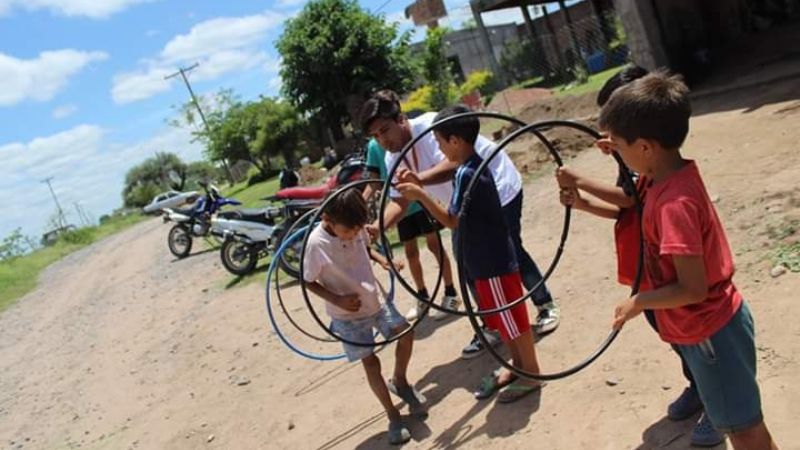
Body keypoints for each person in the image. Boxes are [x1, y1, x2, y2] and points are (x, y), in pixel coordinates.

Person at [603, 71, 778, 450]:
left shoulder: (673, 204)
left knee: (746, 433)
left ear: (645, 147)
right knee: (742, 426)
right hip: (711, 330)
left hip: (710, 335)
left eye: (620, 146)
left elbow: (693, 288)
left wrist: (639, 301)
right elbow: (638, 160)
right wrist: (618, 143)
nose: (616, 153)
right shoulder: (668, 173)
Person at [555, 65, 722, 446]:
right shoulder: (641, 161)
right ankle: (699, 385)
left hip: (666, 273)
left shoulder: (662, 180)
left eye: (615, 132)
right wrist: (583, 203)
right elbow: (627, 211)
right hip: (648, 267)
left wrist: (580, 179)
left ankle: (714, 400)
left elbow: (630, 199)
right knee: (674, 334)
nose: (607, 139)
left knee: (695, 339)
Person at [360, 90, 560, 360]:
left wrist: (419, 180)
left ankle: (544, 304)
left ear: (401, 119)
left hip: (497, 188)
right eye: (375, 136)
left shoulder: (432, 127)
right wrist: (377, 227)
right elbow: (400, 201)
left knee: (508, 251)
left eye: (385, 130)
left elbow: (455, 162)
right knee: (467, 264)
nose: (383, 141)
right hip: (462, 206)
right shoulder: (391, 158)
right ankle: (491, 324)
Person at [397, 104, 545, 402]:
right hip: (482, 261)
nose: (439, 149)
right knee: (502, 318)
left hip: (493, 262)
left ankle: (531, 372)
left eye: (439, 142)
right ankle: (517, 365)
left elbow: (452, 220)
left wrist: (420, 195)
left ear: (455, 141)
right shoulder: (464, 170)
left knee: (512, 317)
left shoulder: (469, 173)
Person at [303, 188, 426, 445]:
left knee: (406, 333)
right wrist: (337, 299)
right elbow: (308, 281)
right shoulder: (316, 245)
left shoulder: (355, 227)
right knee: (370, 363)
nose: (353, 235)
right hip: (347, 315)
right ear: (327, 219)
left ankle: (400, 380)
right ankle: (392, 415)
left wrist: (382, 260)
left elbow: (365, 248)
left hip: (375, 300)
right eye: (348, 231)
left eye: (357, 230)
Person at [362, 136, 459, 321]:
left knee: (434, 246)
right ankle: (422, 296)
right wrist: (361, 202)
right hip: (400, 207)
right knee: (411, 253)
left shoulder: (404, 137)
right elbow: (373, 181)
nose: (383, 139)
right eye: (376, 134)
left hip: (422, 201)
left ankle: (451, 293)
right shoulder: (374, 147)